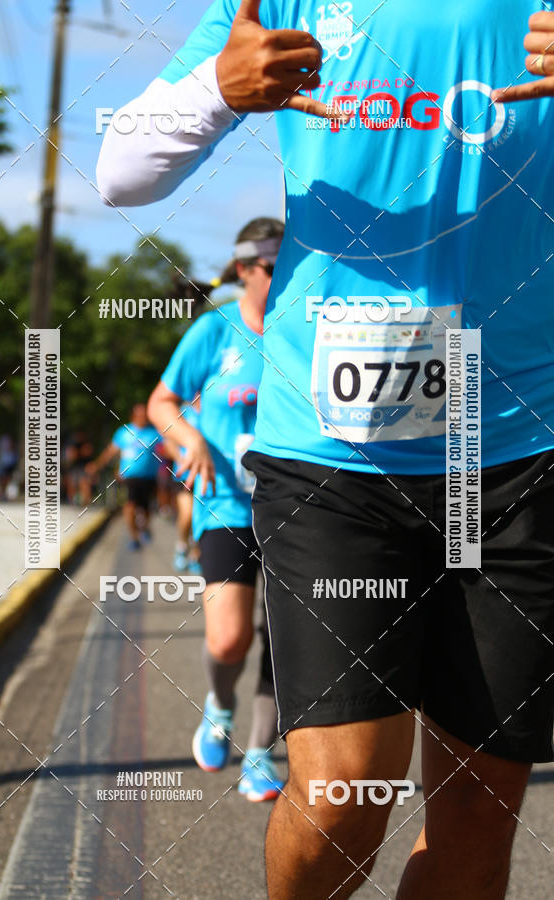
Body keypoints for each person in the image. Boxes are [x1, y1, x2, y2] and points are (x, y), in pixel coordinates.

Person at [98, 4, 554, 897]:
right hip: (333, 460)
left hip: (513, 454)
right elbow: (121, 172)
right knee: (344, 794)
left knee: (477, 807)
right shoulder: (285, 4)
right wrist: (215, 91)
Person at [148, 217, 286, 803]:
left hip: (295, 509)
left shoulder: (306, 328)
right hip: (226, 502)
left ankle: (259, 752)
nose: (285, 280)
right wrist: (189, 439)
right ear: (245, 270)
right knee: (229, 639)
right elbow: (162, 402)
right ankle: (220, 705)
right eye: (274, 269)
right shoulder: (215, 330)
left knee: (285, 640)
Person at [87, 403, 162, 551]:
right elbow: (111, 451)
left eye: (145, 414)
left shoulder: (155, 433)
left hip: (148, 477)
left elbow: (167, 450)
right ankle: (134, 537)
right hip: (129, 476)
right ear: (133, 416)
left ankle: (145, 527)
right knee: (130, 506)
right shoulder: (124, 432)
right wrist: (97, 465)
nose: (143, 417)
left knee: (146, 508)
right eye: (140, 414)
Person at [165, 400, 202, 573]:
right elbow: (169, 441)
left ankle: (197, 553)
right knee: (187, 514)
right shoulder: (183, 411)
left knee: (200, 516)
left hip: (208, 474)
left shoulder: (213, 406)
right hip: (185, 475)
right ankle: (181, 547)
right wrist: (181, 460)